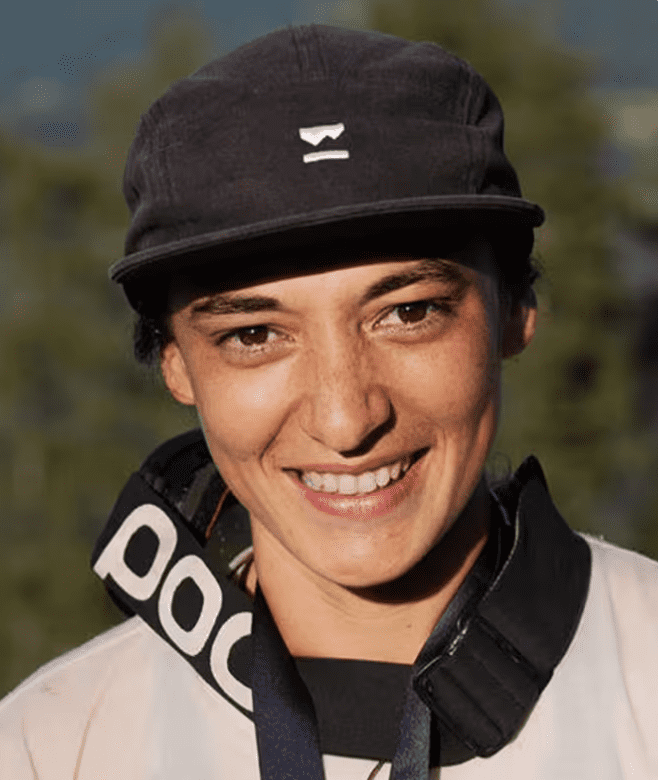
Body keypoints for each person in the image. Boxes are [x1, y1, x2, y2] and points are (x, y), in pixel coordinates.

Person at [1, 23, 657, 780]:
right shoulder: (46, 750)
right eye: (254, 335)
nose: (346, 421)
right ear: (175, 364)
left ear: (515, 312)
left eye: (408, 312)